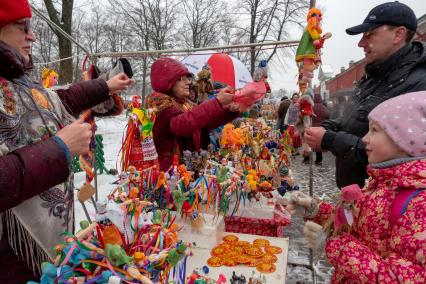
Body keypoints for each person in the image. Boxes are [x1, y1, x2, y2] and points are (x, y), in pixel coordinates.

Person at [0, 0, 133, 281]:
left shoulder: (20, 83)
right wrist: (60, 148)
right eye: (22, 27)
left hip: (40, 257)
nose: (32, 36)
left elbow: (58, 100)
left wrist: (106, 86)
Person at [289, 91, 426, 283]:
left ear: (403, 139)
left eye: (375, 130)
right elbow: (356, 224)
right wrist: (316, 209)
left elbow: (401, 278)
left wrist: (336, 246)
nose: (364, 139)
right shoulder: (381, 182)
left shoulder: (419, 204)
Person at [305, 2, 426, 188]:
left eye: (369, 34)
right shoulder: (375, 74)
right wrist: (329, 126)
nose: (361, 43)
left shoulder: (418, 83)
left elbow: (400, 155)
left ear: (398, 34)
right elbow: (357, 117)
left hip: (385, 204)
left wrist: (330, 139)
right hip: (358, 195)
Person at [145, 58, 243, 171]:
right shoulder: (159, 105)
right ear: (168, 81)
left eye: (188, 78)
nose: (188, 82)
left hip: (185, 169)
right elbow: (183, 125)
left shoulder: (184, 104)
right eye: (182, 78)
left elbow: (205, 122)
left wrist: (232, 111)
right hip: (167, 173)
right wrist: (218, 102)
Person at [311, 92, 329, 165]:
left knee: (314, 143)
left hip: (313, 127)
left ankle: (316, 159)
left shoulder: (312, 107)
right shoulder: (323, 107)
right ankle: (319, 159)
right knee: (320, 142)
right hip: (322, 126)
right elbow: (328, 115)